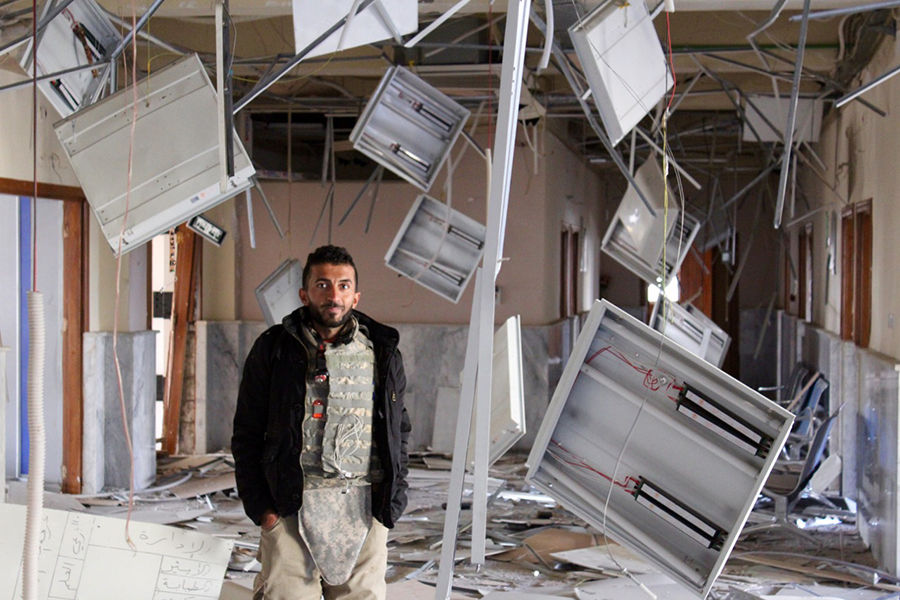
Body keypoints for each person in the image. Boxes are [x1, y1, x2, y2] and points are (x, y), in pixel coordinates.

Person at [232, 245, 410, 600]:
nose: (334, 295)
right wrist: (264, 512)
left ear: (356, 295)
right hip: (290, 506)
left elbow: (398, 431)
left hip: (364, 506)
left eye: (344, 286)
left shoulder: (382, 351)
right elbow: (247, 433)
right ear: (304, 293)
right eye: (323, 285)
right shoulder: (273, 350)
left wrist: (391, 504)